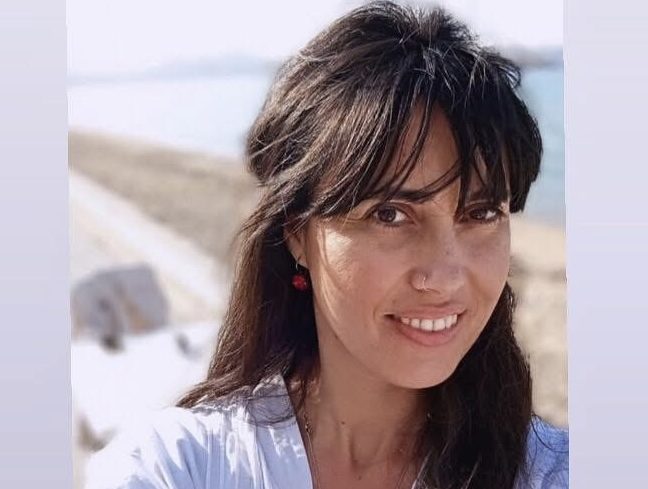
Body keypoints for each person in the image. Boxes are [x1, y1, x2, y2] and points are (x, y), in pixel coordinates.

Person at [84, 2, 568, 488]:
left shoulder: (554, 471)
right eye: (390, 215)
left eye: (481, 214)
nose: (443, 277)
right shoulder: (181, 466)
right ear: (297, 231)